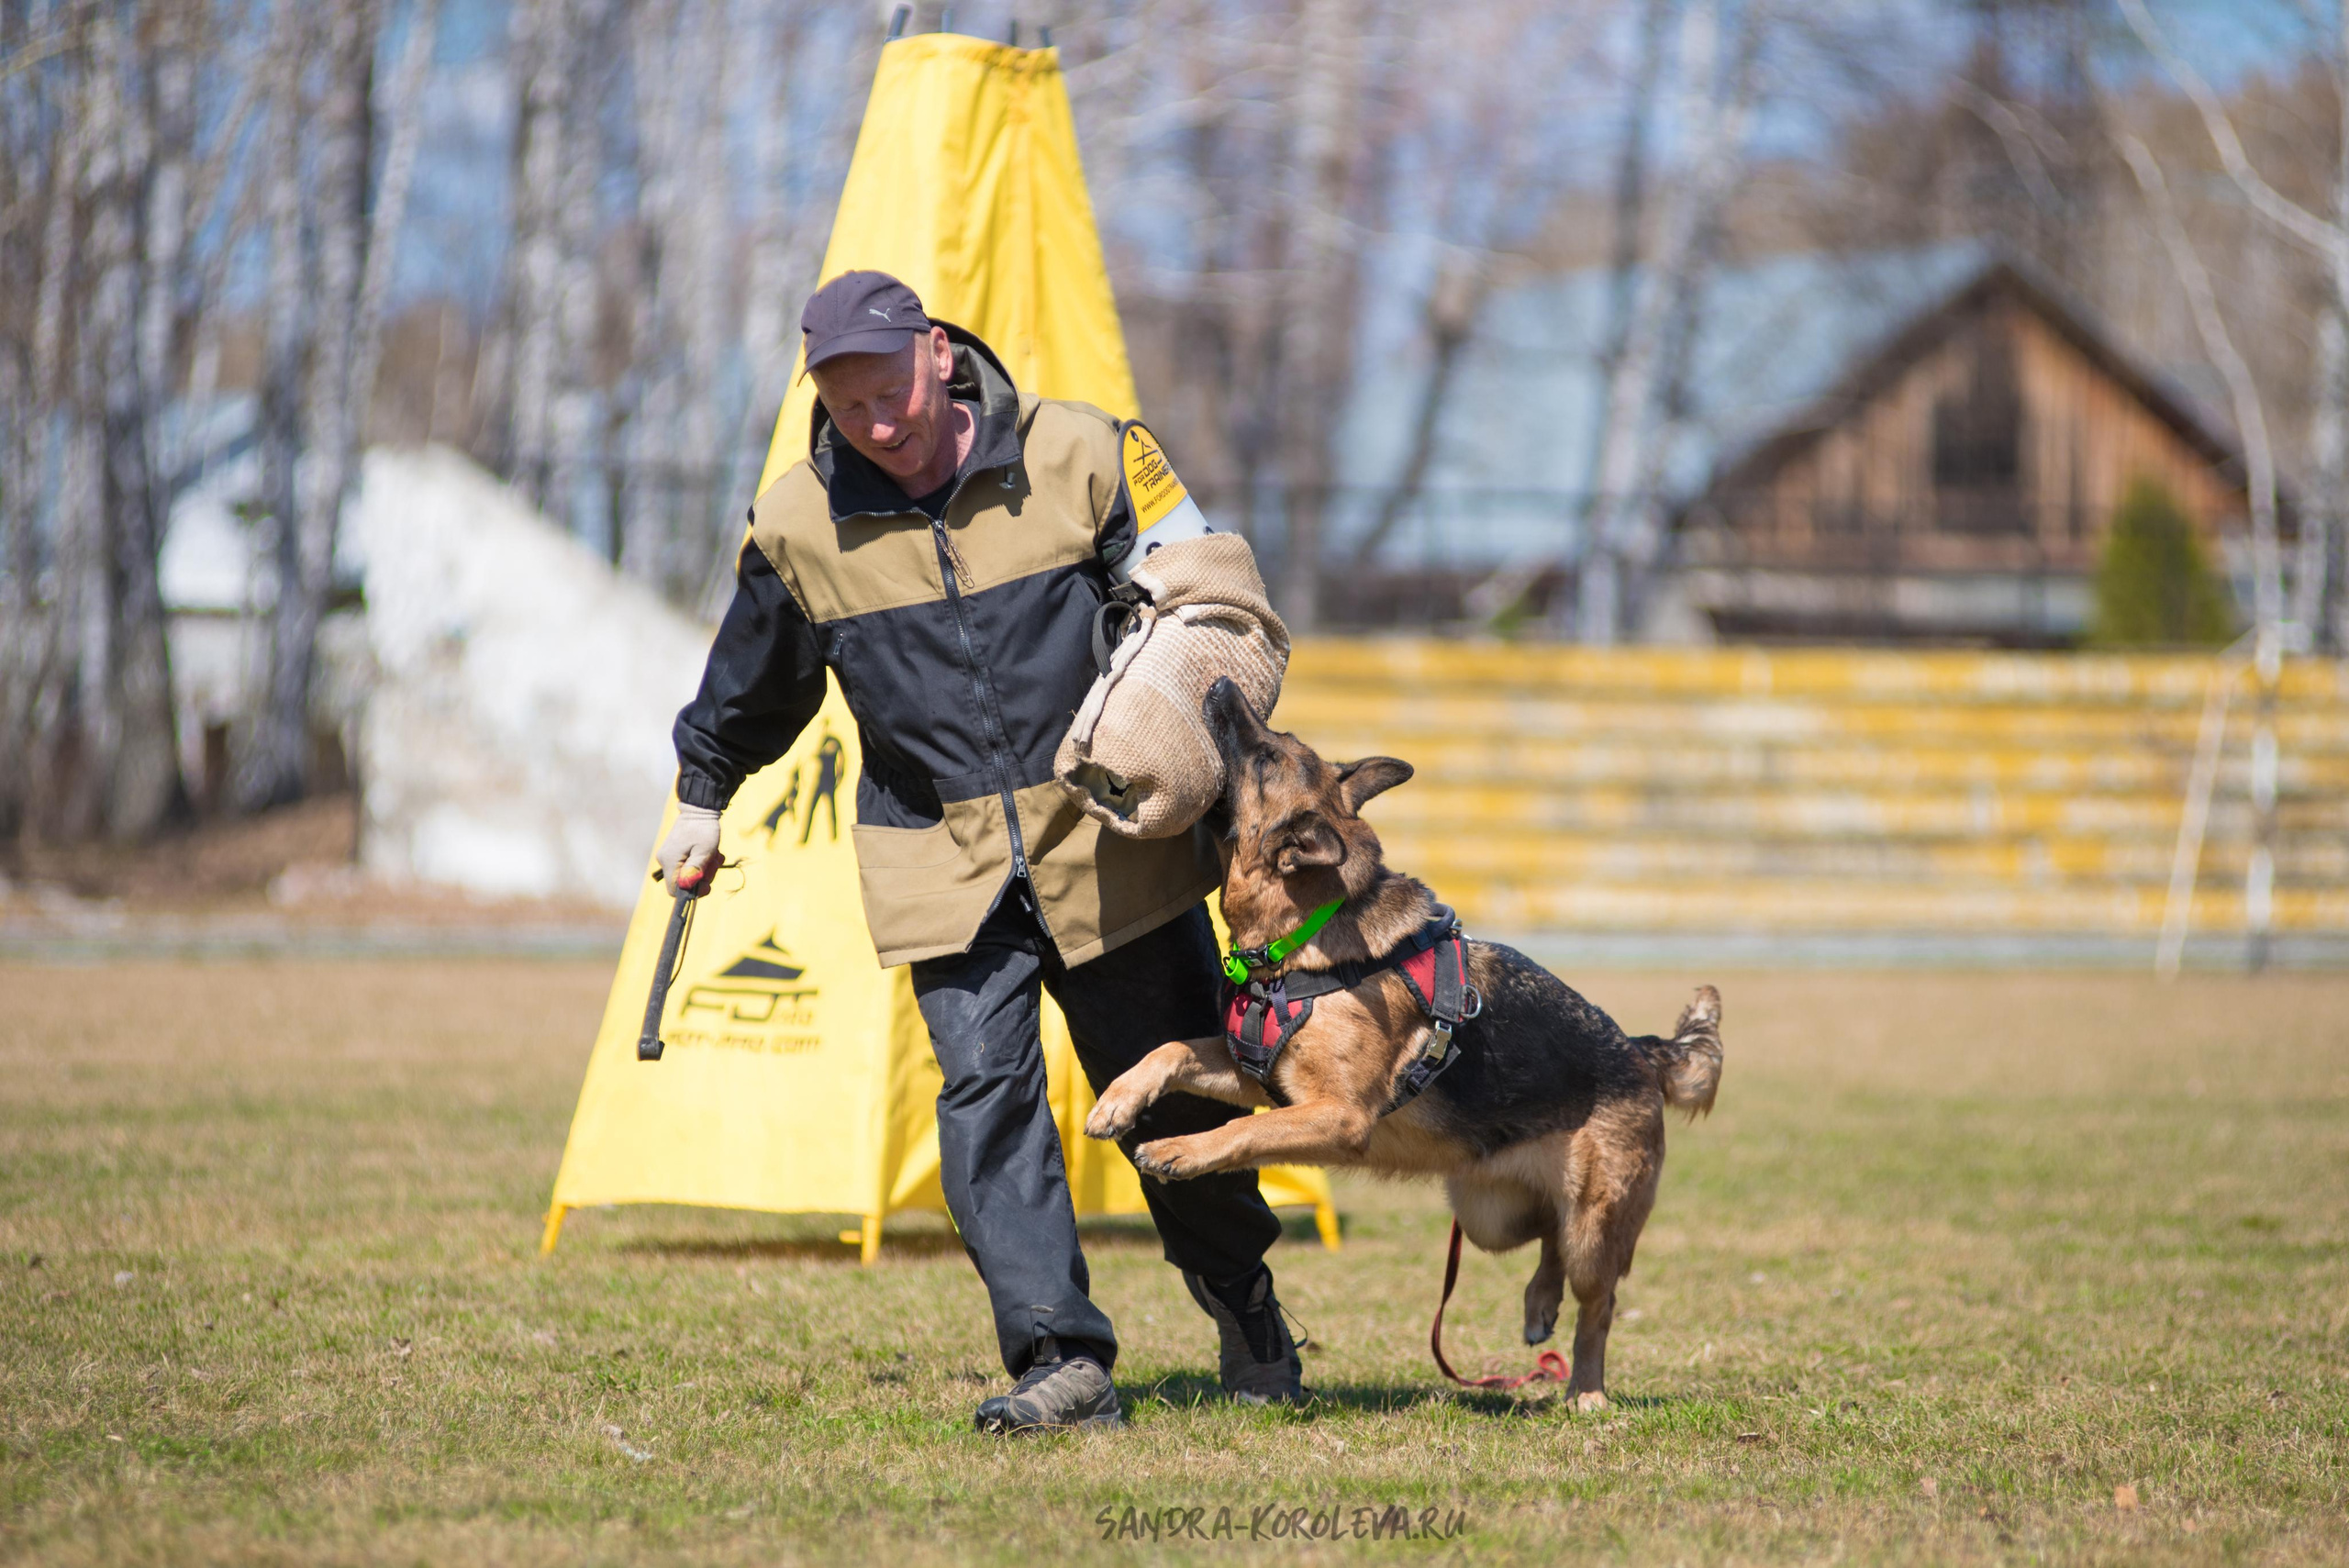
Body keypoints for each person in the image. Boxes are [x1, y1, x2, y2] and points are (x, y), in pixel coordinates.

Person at [659, 271, 1303, 1433]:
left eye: (891, 391)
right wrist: (704, 790)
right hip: (938, 855)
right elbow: (754, 675)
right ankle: (1062, 1356)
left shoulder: (1090, 454)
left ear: (939, 355)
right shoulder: (799, 521)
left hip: (1111, 844)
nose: (879, 424)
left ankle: (1239, 1294)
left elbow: (1203, 596)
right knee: (986, 1099)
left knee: (1167, 1103)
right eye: (849, 407)